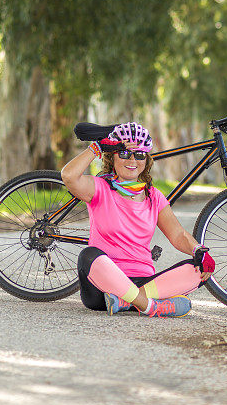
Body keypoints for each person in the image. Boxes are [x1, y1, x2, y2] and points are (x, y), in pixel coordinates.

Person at [61, 121, 215, 318]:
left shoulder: (153, 195)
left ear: (146, 160)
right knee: (88, 256)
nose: (132, 160)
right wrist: (97, 147)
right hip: (103, 287)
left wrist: (198, 250)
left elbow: (177, 234)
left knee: (198, 269)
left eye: (139, 154)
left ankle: (127, 302)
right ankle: (151, 307)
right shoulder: (100, 187)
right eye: (124, 153)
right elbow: (69, 176)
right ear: (112, 157)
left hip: (144, 281)